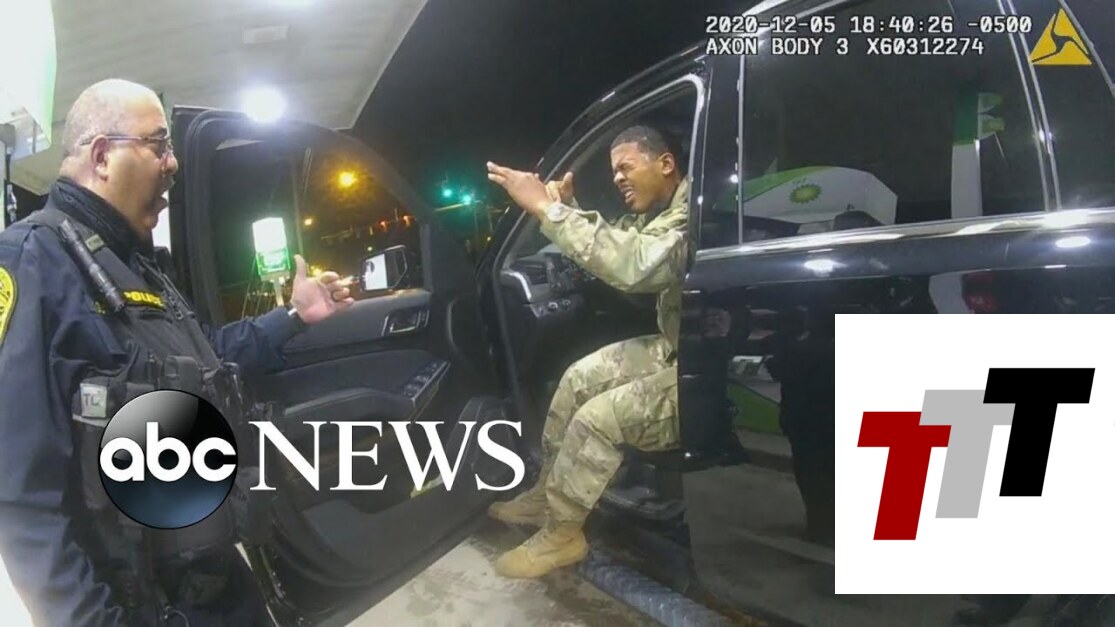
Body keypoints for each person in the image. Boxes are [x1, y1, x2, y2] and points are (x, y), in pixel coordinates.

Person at [0, 79, 353, 626]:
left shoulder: (138, 266)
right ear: (102, 155)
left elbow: (206, 362)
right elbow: (22, 501)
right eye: (158, 144)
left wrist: (293, 316)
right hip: (141, 606)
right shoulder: (29, 262)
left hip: (215, 580)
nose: (173, 163)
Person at [484, 125, 688, 579]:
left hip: (709, 364)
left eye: (626, 167)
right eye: (614, 171)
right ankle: (547, 494)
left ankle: (563, 535)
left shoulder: (693, 210)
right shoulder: (664, 210)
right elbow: (618, 240)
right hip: (679, 343)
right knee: (578, 377)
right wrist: (568, 209)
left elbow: (635, 264)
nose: (617, 178)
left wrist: (546, 209)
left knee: (598, 419)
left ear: (665, 164)